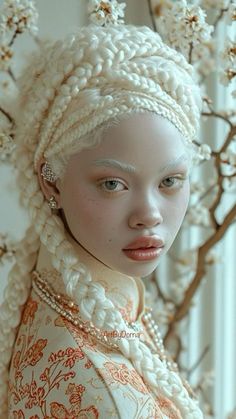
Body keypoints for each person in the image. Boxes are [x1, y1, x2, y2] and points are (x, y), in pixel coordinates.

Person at [0, 2, 203, 418]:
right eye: (113, 184)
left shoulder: (82, 305)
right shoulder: (97, 390)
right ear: (50, 180)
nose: (149, 215)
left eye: (170, 181)